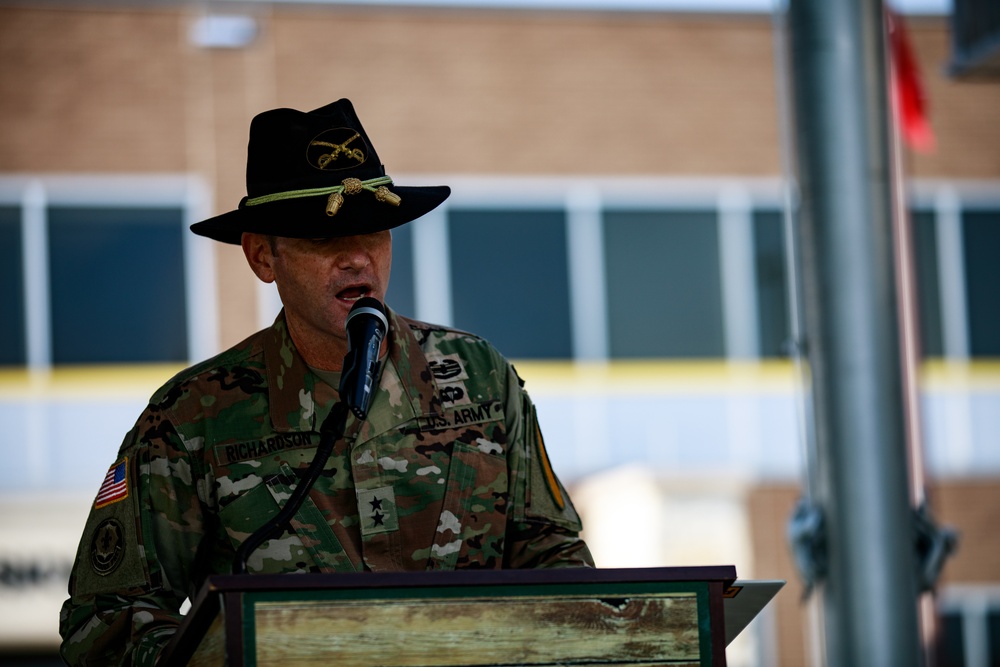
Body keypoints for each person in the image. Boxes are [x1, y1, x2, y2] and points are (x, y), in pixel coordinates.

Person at [58, 98, 593, 666]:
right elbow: (107, 619)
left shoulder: (479, 374)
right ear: (263, 256)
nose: (359, 258)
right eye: (323, 237)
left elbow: (553, 555)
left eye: (375, 231)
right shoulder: (192, 418)